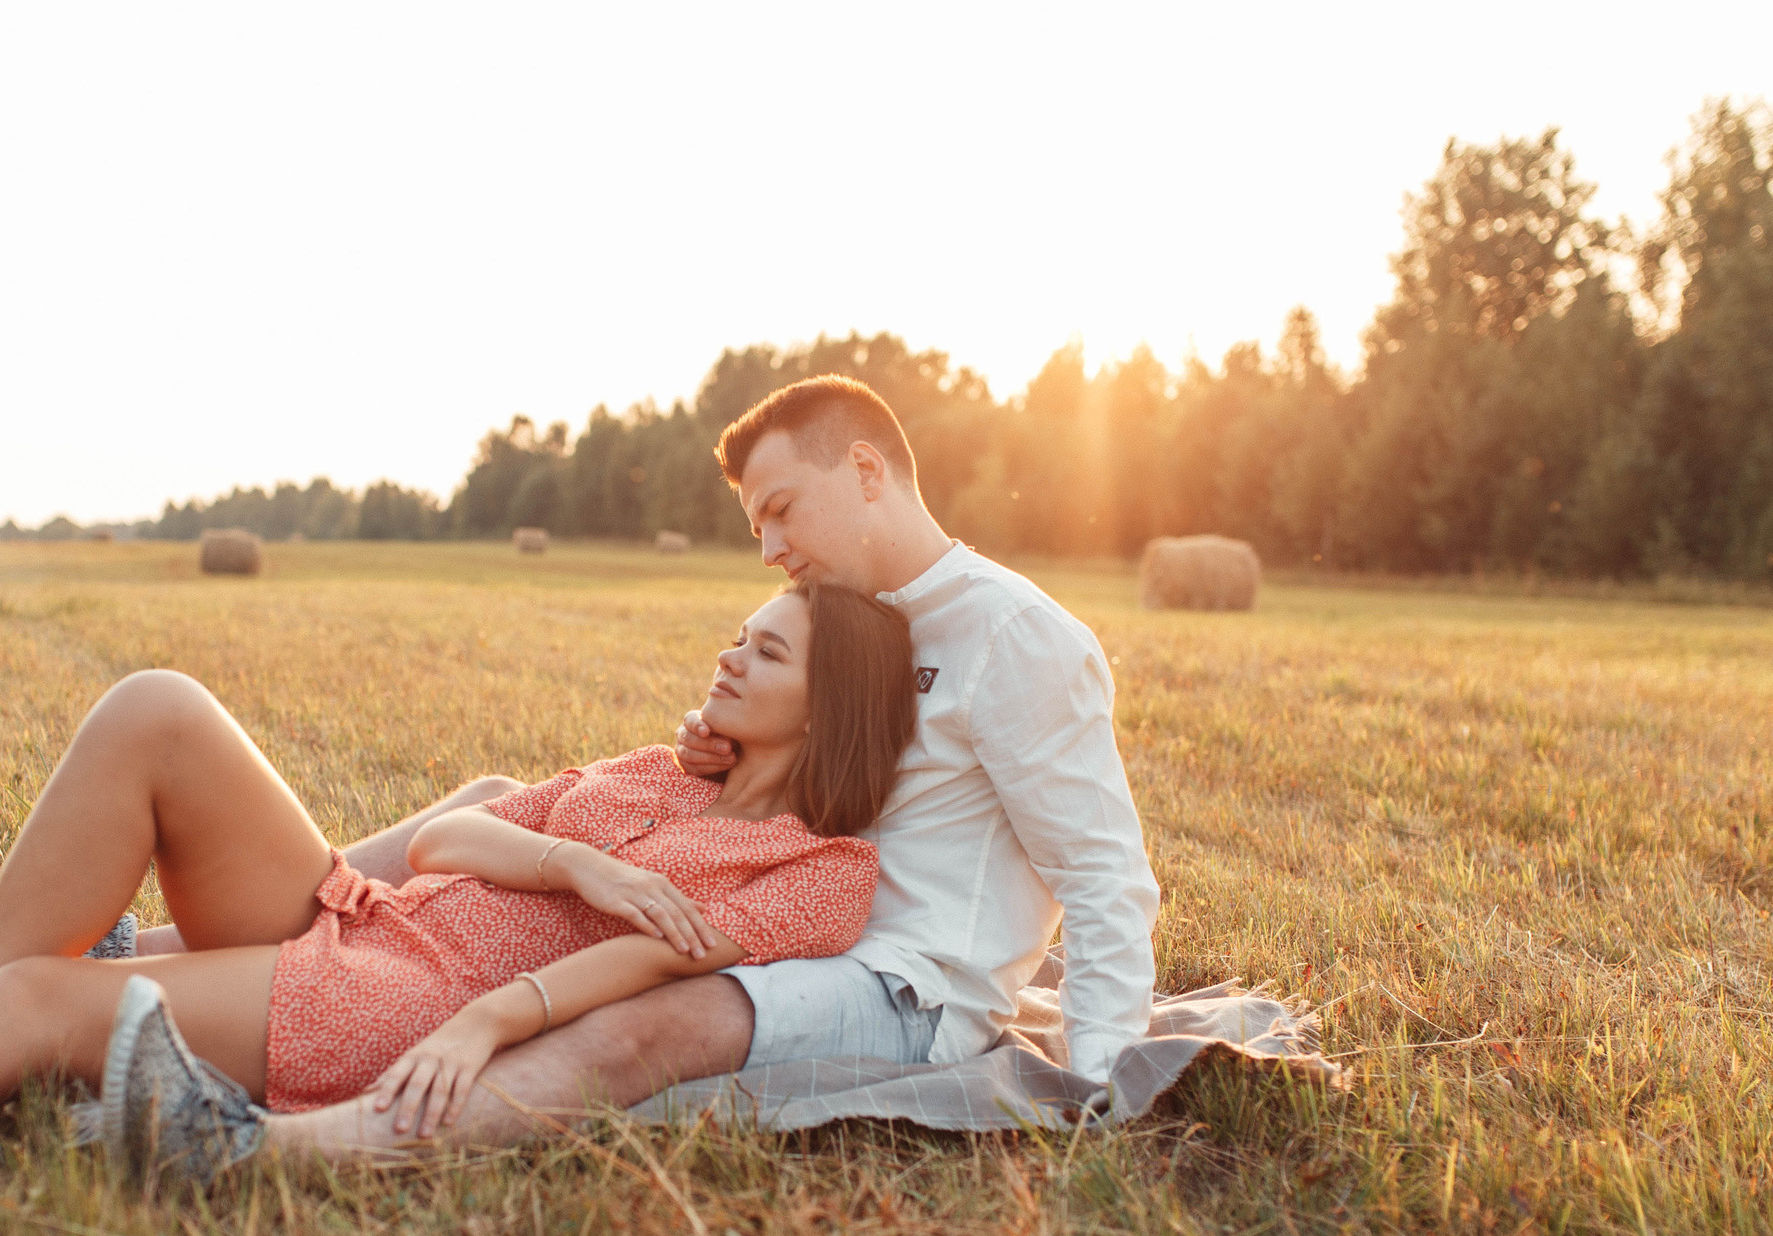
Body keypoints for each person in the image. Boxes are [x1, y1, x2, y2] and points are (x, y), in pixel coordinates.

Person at [0, 581, 915, 1183]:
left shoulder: (816, 871)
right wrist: (573, 849)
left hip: (396, 995)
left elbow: (648, 970)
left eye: (767, 647)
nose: (729, 650)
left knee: (43, 997)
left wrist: (483, 1017)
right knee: (157, 705)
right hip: (361, 912)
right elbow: (458, 835)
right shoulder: (666, 775)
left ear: (827, 704)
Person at [258, 375, 1161, 1156]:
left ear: (865, 472)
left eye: (780, 510)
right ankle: (268, 931)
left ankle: (281, 1147)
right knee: (499, 809)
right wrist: (710, 741)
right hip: (776, 905)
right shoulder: (852, 612)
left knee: (656, 1018)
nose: (769, 548)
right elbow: (807, 737)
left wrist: (1101, 1086)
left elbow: (1102, 876)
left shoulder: (1018, 636)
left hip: (896, 980)